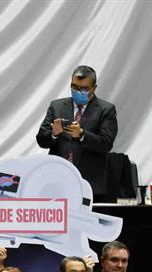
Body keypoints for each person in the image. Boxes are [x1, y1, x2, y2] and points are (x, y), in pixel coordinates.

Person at [36, 65, 118, 200]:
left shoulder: (106, 110)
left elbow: (106, 143)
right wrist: (53, 134)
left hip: (89, 183)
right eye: (74, 87)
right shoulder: (56, 106)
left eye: (84, 88)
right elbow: (41, 140)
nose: (78, 91)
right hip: (57, 181)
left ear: (94, 88)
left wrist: (82, 135)